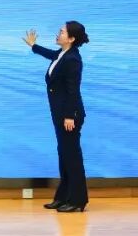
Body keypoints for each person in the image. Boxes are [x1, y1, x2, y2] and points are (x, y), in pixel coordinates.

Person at [24, 21, 90, 213]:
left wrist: (69, 115)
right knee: (64, 156)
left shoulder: (73, 59)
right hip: (60, 114)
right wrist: (33, 46)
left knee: (72, 158)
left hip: (69, 116)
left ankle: (78, 200)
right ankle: (63, 197)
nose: (58, 34)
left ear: (71, 38)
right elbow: (51, 55)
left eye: (62, 32)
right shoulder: (63, 54)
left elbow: (73, 90)